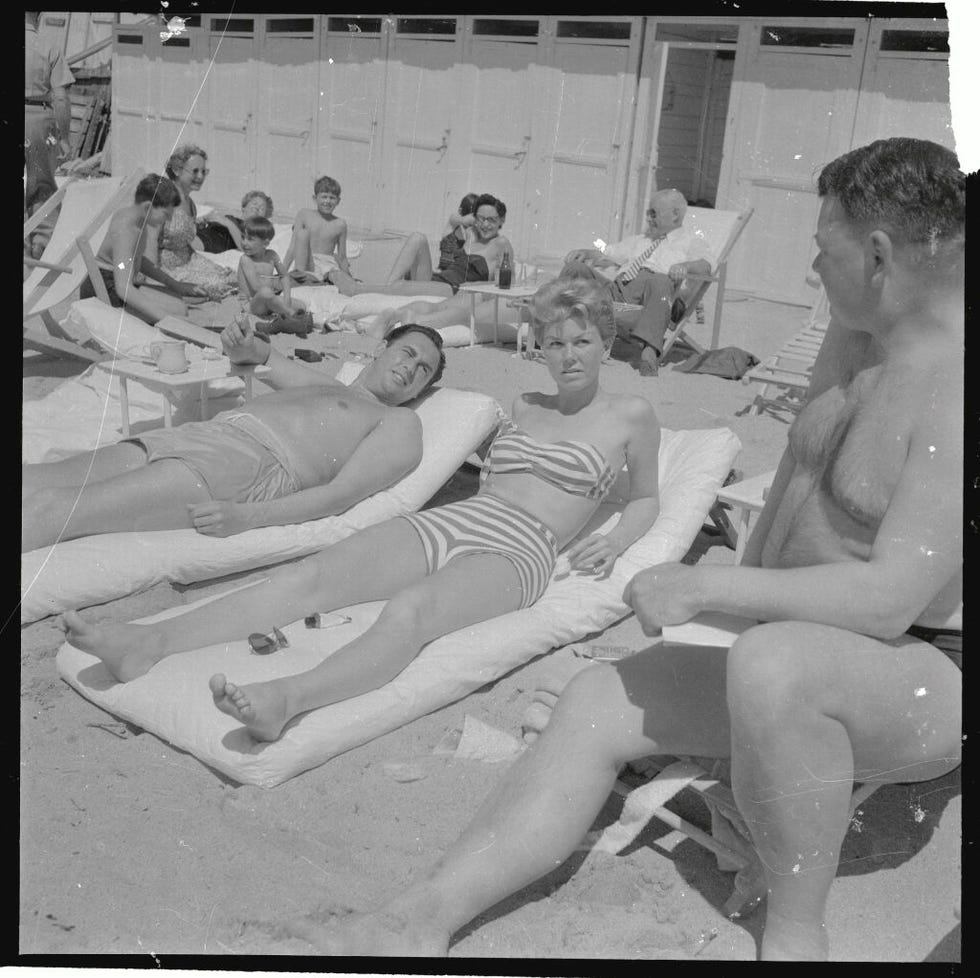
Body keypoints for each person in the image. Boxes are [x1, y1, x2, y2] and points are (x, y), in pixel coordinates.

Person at [266, 137, 963, 961]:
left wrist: (709, 595)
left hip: (913, 671)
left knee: (777, 668)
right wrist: (726, 611)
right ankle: (416, 918)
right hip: (779, 646)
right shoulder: (856, 335)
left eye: (824, 249)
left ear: (879, 255)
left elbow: (891, 599)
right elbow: (795, 489)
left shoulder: (954, 392)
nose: (813, 269)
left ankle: (794, 936)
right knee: (600, 699)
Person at [63, 278, 661, 737]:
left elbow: (647, 497)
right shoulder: (526, 403)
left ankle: (287, 700)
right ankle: (149, 643)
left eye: (582, 341)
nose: (569, 355)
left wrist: (619, 538)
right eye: (555, 343)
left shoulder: (630, 416)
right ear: (541, 349)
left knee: (411, 611)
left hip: (521, 547)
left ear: (606, 343)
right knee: (311, 575)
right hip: (452, 520)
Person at [22, 322, 445, 554]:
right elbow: (259, 356)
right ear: (382, 349)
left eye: (423, 370)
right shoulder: (331, 385)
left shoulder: (400, 423)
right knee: (36, 479)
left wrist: (249, 517)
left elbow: (340, 496)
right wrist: (240, 341)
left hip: (247, 467)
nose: (411, 368)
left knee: (56, 509)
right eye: (408, 353)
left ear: (422, 392)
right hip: (204, 434)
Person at [562, 187, 713, 375]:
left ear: (675, 215)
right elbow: (609, 252)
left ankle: (649, 352)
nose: (648, 218)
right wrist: (587, 252)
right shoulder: (642, 239)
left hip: (653, 298)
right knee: (576, 269)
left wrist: (686, 266)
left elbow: (706, 266)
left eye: (653, 213)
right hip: (617, 289)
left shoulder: (691, 241)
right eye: (648, 213)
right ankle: (556, 330)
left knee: (660, 280)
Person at [358, 195, 515, 338]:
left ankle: (359, 291)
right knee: (417, 238)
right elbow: (453, 220)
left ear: (502, 220)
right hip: (441, 278)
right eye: (481, 219)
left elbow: (506, 284)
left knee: (415, 294)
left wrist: (476, 285)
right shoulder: (471, 233)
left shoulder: (501, 244)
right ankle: (394, 312)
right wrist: (471, 219)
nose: (485, 225)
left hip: (456, 287)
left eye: (492, 220)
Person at [77, 173, 208, 323]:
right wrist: (167, 320)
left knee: (177, 302)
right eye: (166, 213)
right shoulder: (127, 230)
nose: (170, 219)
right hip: (103, 290)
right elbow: (123, 287)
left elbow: (130, 260)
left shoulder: (137, 219)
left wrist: (174, 285)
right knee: (178, 310)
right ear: (148, 207)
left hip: (114, 280)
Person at [145, 144, 238, 301]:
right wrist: (152, 280)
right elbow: (149, 241)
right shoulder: (162, 200)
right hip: (166, 268)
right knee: (216, 286)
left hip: (189, 260)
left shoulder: (190, 203)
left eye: (204, 171)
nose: (200, 177)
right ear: (176, 170)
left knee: (233, 279)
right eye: (195, 171)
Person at [24, 10, 75, 259]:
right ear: (39, 15)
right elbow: (61, 97)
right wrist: (64, 137)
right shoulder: (49, 47)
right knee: (41, 182)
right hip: (38, 118)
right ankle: (40, 243)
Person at [282, 175, 352, 286]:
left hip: (327, 266)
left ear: (338, 201)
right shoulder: (304, 214)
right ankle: (301, 277)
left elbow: (342, 257)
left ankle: (322, 281)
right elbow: (292, 248)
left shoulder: (340, 224)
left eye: (332, 198)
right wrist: (282, 273)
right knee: (302, 234)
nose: (327, 201)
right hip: (307, 263)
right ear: (315, 198)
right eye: (324, 197)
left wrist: (349, 278)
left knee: (335, 275)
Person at [237, 215, 307, 321]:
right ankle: (289, 314)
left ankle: (284, 310)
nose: (244, 243)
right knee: (266, 292)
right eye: (243, 237)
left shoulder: (272, 256)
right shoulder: (246, 259)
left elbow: (284, 276)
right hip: (251, 305)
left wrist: (287, 300)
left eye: (250, 239)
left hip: (268, 300)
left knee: (301, 305)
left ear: (265, 243)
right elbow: (256, 287)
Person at [196, 190, 274, 254]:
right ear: (244, 207)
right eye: (255, 204)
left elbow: (245, 247)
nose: (257, 208)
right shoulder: (231, 218)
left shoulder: (257, 229)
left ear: (264, 218)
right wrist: (202, 221)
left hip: (209, 241)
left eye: (262, 208)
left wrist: (227, 223)